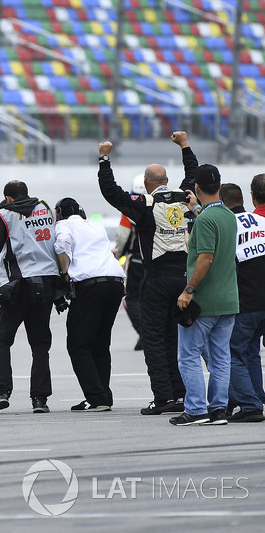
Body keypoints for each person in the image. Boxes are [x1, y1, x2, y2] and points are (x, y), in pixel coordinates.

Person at [97, 132, 197, 416]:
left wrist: (104, 158)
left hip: (155, 280)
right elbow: (192, 173)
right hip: (182, 279)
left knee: (153, 338)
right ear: (166, 181)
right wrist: (185, 146)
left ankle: (163, 397)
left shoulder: (144, 204)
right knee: (173, 338)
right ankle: (179, 394)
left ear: (147, 184)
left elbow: (111, 192)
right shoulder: (184, 197)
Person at [0, 180, 66, 415]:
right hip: (47, 284)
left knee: (3, 341)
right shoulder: (46, 208)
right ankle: (40, 399)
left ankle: (1, 392)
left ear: (8, 198)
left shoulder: (4, 214)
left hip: (19, 286)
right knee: (40, 345)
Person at [170, 164, 238, 426]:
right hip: (228, 300)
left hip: (204, 302)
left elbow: (205, 258)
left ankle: (196, 409)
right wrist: (196, 209)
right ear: (219, 187)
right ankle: (218, 409)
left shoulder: (205, 220)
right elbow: (211, 222)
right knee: (221, 356)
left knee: (188, 354)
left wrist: (189, 290)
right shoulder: (227, 216)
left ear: (196, 188)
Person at [54, 197, 126, 412]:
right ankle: (103, 395)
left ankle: (96, 398)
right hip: (115, 282)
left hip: (90, 285)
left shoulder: (63, 225)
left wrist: (64, 273)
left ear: (59, 213)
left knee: (78, 344)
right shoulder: (95, 224)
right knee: (101, 344)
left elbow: (61, 245)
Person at [219, 179, 265, 422]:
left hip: (244, 303)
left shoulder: (228, 226)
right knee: (250, 353)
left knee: (232, 354)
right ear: (244, 200)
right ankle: (254, 396)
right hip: (262, 303)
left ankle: (250, 406)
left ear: (222, 203)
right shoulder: (262, 222)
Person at [115, 174, 145, 350]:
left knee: (131, 298)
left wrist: (119, 255)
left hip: (136, 261)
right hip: (159, 261)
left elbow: (121, 237)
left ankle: (144, 332)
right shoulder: (163, 205)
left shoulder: (130, 211)